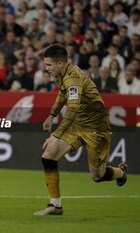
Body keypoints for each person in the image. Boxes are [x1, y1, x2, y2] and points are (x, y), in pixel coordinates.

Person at [35, 44, 128, 216]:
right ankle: (55, 205)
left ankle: (120, 172)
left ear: (60, 64)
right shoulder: (61, 74)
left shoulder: (73, 79)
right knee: (48, 155)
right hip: (77, 124)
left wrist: (56, 134)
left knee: (97, 176)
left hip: (96, 129)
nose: (46, 68)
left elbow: (73, 108)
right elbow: (62, 94)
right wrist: (51, 115)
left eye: (48, 65)